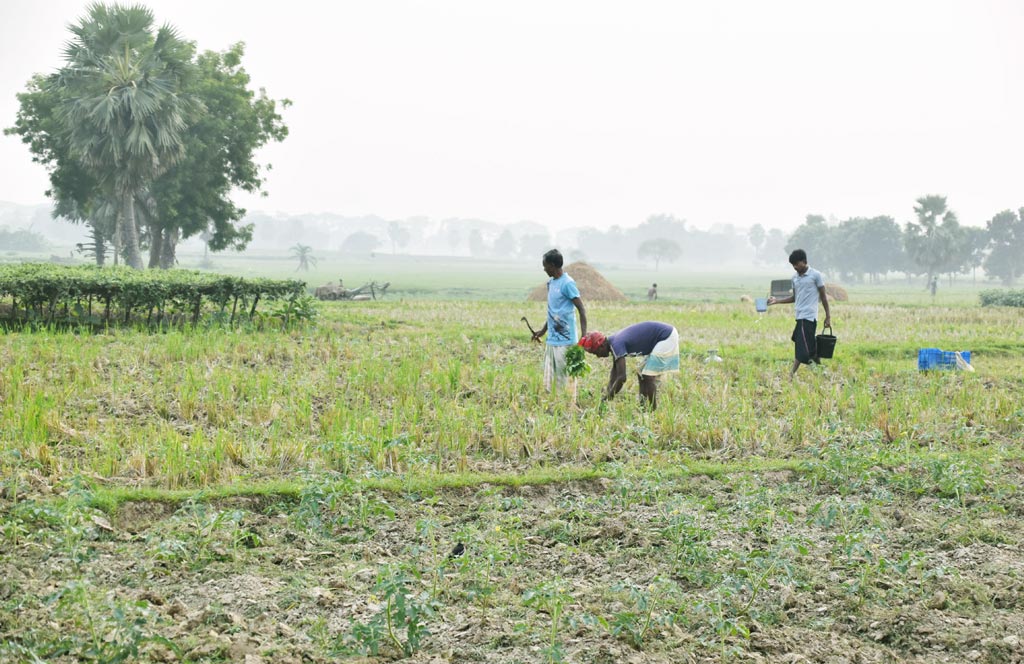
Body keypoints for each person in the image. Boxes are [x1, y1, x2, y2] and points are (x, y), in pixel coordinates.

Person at [578, 321, 679, 410]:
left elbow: (622, 377)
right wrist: (608, 392)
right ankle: (643, 406)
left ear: (601, 346)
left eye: (596, 353)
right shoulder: (613, 343)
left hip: (666, 337)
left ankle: (652, 410)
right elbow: (615, 373)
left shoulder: (616, 344)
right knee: (641, 374)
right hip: (663, 335)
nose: (598, 357)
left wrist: (608, 398)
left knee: (648, 376)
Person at [767, 248, 832, 378]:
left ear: (804, 261)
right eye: (793, 265)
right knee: (806, 345)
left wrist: (828, 316)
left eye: (797, 264)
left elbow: (823, 297)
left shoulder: (816, 275)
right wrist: (777, 301)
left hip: (809, 316)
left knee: (802, 349)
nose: (795, 267)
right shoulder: (795, 278)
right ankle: (821, 371)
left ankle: (792, 374)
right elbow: (795, 298)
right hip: (799, 316)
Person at [532, 249, 587, 391]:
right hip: (552, 339)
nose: (544, 269)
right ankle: (554, 406)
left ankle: (568, 407)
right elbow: (552, 311)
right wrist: (543, 331)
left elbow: (581, 309)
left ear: (553, 265)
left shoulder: (567, 284)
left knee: (565, 377)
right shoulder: (550, 284)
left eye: (545, 266)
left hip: (566, 339)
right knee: (550, 379)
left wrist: (584, 337)